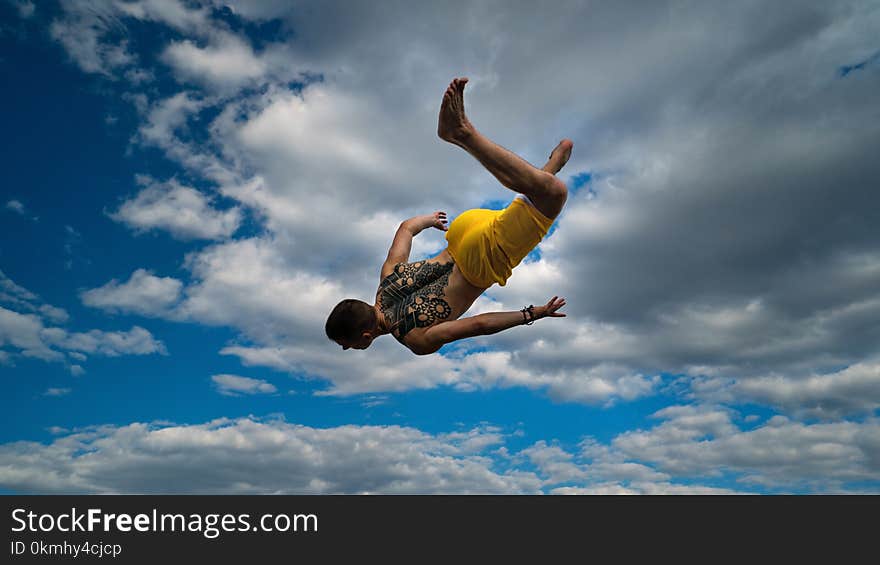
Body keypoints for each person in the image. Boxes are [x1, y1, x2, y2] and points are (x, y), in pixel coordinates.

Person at [326, 77, 572, 355]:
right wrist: (430, 220)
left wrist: (531, 314)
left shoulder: (415, 339)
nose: (347, 348)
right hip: (462, 232)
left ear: (366, 335)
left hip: (481, 261)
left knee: (553, 195)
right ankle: (550, 167)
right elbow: (406, 228)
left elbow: (479, 325)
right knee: (528, 203)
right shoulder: (386, 279)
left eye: (346, 344)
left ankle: (461, 133)